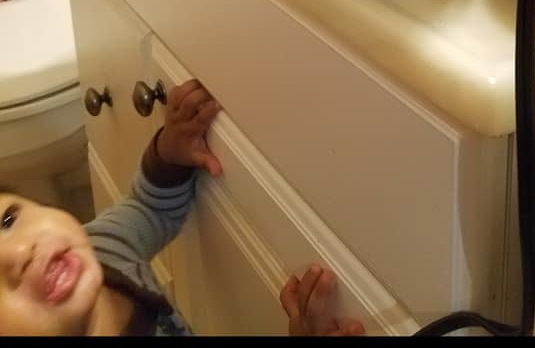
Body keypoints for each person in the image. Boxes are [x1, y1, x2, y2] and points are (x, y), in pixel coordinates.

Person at [0, 79, 364, 336]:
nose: (19, 252)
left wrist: (170, 153)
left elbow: (147, 209)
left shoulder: (103, 251)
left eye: (7, 219)